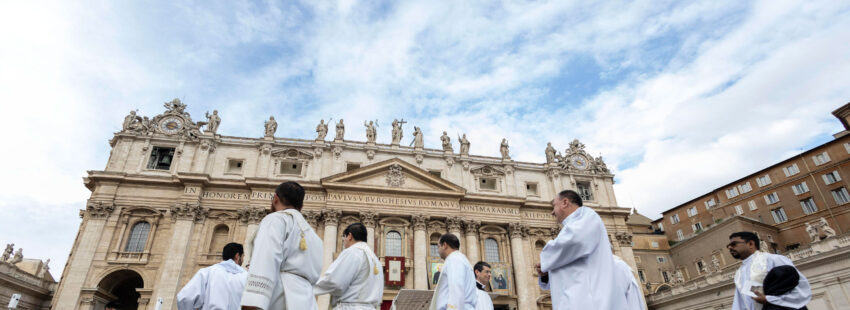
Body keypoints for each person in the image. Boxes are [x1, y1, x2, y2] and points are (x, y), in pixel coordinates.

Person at [536, 189, 626, 310]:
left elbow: (573, 241)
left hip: (586, 299)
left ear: (565, 203)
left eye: (554, 206)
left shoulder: (587, 215)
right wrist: (547, 273)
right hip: (575, 297)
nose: (552, 212)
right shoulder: (575, 223)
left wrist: (547, 259)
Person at [241, 181, 323, 310]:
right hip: (307, 301)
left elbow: (265, 260)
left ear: (275, 199)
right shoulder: (314, 236)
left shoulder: (275, 220)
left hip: (280, 297)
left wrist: (251, 303)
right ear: (301, 206)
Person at [728, 232, 811, 310]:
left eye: (734, 244)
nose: (730, 248)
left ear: (750, 244)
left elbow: (799, 287)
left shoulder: (773, 259)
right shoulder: (739, 273)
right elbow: (740, 303)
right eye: (728, 246)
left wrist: (768, 299)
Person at [313, 223, 384, 309]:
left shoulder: (353, 252)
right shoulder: (375, 259)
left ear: (350, 236)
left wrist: (308, 287)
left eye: (344, 237)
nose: (344, 241)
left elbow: (335, 282)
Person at [177, 242, 248, 310]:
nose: (243, 260)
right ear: (237, 256)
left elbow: (185, 297)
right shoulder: (246, 277)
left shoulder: (206, 272)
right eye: (242, 257)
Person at [430, 233, 477, 310]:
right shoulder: (461, 259)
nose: (438, 251)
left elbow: (456, 290)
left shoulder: (454, 260)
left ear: (444, 245)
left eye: (438, 247)